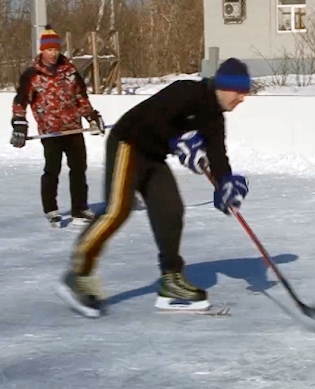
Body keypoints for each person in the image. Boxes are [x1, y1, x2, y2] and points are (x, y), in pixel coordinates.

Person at [55, 58, 251, 318]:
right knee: (117, 210)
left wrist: (225, 184)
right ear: (225, 86)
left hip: (154, 157)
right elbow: (154, 118)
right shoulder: (187, 91)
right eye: (240, 92)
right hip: (129, 143)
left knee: (171, 210)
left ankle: (171, 280)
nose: (242, 99)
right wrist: (177, 139)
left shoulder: (214, 119)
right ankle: (78, 273)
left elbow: (217, 155)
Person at [10, 25, 105, 228]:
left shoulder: (70, 72)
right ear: (42, 50)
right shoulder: (32, 75)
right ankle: (51, 209)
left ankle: (79, 208)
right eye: (49, 50)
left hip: (73, 128)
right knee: (52, 170)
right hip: (50, 131)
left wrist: (92, 118)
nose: (53, 53)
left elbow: (81, 98)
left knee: (79, 168)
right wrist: (19, 125)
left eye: (55, 49)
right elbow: (20, 102)